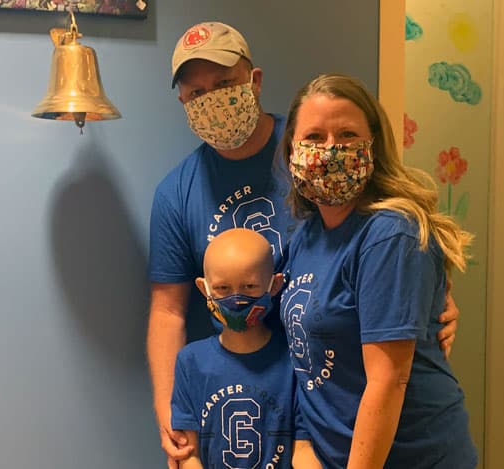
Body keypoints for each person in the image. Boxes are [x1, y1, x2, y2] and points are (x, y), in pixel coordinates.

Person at [147, 21, 460, 467]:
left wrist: (432, 296)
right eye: (196, 92)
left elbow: (390, 359)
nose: (329, 151)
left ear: (254, 82)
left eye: (223, 83)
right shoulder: (299, 226)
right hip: (306, 427)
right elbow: (168, 310)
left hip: (400, 448)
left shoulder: (384, 225)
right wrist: (172, 413)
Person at [278, 73, 478, 468]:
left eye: (348, 135)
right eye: (314, 137)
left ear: (374, 147)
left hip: (413, 456)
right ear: (292, 151)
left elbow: (388, 381)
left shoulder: (392, 234)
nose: (331, 149)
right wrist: (303, 445)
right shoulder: (306, 237)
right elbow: (305, 357)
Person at [171, 228, 319, 469]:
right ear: (204, 288)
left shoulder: (295, 359)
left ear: (274, 285)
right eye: (222, 288)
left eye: (250, 286)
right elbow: (189, 455)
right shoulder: (190, 362)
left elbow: (303, 450)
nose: (236, 299)